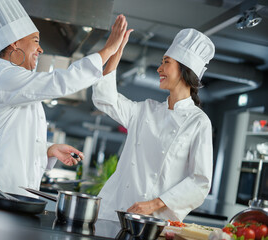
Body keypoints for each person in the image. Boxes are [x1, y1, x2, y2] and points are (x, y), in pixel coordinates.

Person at [0, 0, 128, 200]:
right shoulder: (5, 77)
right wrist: (107, 50)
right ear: (15, 42)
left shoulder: (16, 82)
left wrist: (49, 149)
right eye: (35, 41)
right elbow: (60, 82)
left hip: (8, 196)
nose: (40, 50)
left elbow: (14, 138)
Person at [92, 24, 215, 221]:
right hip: (113, 212)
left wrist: (154, 204)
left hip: (153, 221)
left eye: (166, 62)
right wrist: (116, 51)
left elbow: (200, 182)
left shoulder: (198, 122)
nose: (159, 68)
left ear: (184, 69)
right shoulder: (145, 110)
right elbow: (104, 98)